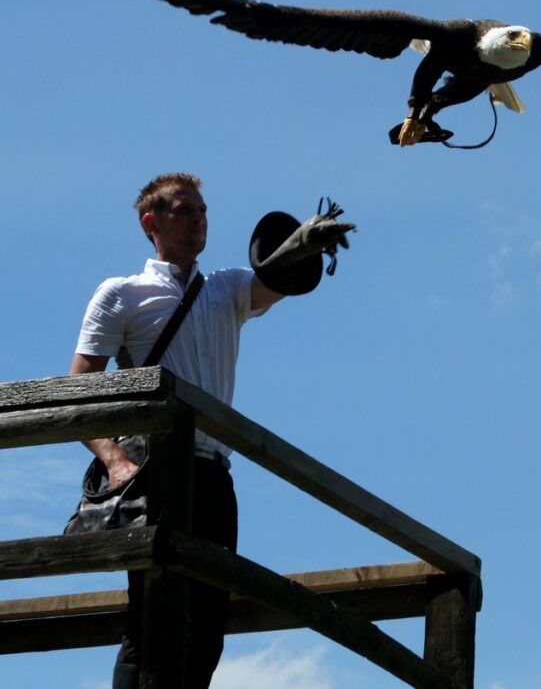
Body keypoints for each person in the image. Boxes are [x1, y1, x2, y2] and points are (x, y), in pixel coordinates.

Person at [70, 173, 349, 688]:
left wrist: (304, 241)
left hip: (215, 473)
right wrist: (115, 462)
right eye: (184, 209)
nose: (199, 219)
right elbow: (79, 389)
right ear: (151, 223)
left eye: (202, 210)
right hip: (153, 468)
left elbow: (277, 276)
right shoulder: (121, 294)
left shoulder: (226, 287)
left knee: (208, 624)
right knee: (153, 616)